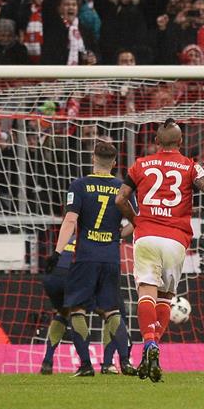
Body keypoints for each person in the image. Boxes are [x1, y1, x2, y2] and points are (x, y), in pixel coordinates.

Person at [115, 119, 204, 382]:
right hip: (175, 240)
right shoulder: (190, 166)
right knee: (165, 298)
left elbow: (120, 199)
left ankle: (148, 343)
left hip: (146, 236)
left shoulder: (140, 164)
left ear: (156, 141)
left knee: (146, 292)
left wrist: (136, 220)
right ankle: (154, 344)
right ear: (181, 142)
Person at [49, 142, 130, 377]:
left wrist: (57, 253)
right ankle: (124, 362)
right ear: (114, 163)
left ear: (93, 158)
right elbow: (136, 221)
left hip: (85, 257)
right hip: (111, 257)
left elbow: (70, 221)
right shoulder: (122, 188)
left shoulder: (79, 185)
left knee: (76, 309)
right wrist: (118, 236)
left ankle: (85, 365)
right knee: (112, 311)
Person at [40, 235, 136, 376]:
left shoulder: (76, 235)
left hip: (53, 276)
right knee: (110, 312)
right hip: (80, 271)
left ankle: (47, 361)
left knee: (63, 312)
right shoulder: (103, 239)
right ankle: (108, 363)